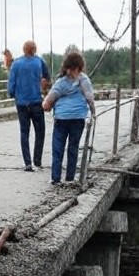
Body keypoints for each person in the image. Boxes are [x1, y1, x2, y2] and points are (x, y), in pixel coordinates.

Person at [42, 50, 95, 185]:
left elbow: (47, 102)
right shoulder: (85, 80)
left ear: (66, 66)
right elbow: (90, 99)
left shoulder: (61, 82)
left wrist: (46, 105)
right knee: (73, 148)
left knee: (58, 148)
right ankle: (70, 178)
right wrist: (93, 114)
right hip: (78, 118)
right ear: (80, 66)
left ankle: (55, 178)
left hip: (62, 119)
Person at [8, 39, 50, 171]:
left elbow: (11, 84)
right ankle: (37, 160)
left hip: (21, 103)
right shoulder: (39, 61)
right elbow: (47, 78)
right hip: (36, 101)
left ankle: (27, 162)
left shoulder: (16, 64)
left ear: (23, 49)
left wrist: (13, 95)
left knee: (24, 132)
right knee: (40, 132)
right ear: (35, 49)